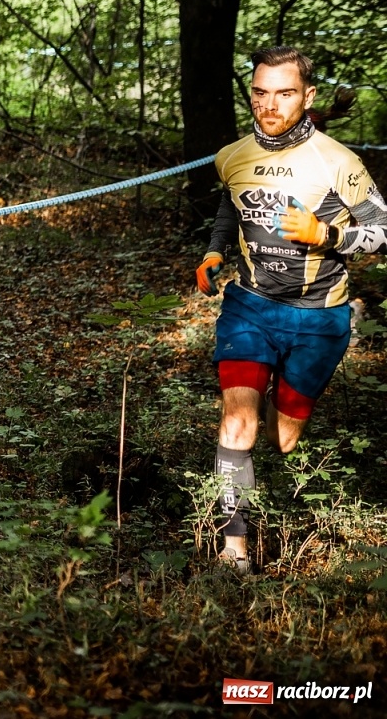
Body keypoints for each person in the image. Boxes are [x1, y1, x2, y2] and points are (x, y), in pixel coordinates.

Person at [195, 46, 386, 572]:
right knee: (238, 423)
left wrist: (328, 234)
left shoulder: (338, 162)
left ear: (308, 96)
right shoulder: (232, 155)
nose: (269, 105)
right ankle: (234, 550)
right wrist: (215, 251)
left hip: (319, 316)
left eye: (284, 93)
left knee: (285, 436)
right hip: (250, 306)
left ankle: (288, 407)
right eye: (260, 92)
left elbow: (384, 231)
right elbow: (228, 206)